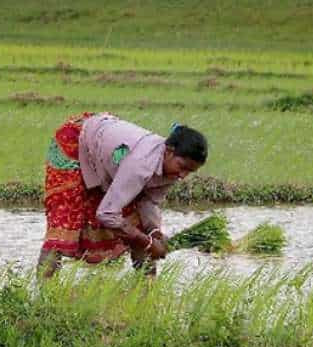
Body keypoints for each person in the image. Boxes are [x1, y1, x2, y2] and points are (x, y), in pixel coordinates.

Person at [37, 113, 207, 277]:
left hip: (106, 154)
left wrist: (154, 233)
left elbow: (148, 202)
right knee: (64, 224)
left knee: (137, 223)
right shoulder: (140, 166)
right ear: (169, 151)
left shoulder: (171, 170)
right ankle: (44, 295)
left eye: (190, 171)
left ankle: (147, 290)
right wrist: (147, 243)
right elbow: (106, 214)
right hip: (76, 142)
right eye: (182, 166)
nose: (183, 175)